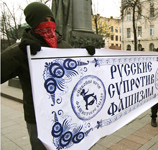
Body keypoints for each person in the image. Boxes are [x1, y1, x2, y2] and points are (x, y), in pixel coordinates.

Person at [1, 2, 94, 149]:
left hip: (65, 113)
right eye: (43, 20)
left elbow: (80, 73)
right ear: (33, 23)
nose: (49, 23)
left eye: (51, 20)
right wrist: (20, 51)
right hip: (38, 119)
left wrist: (86, 55)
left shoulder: (62, 44)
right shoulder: (24, 49)